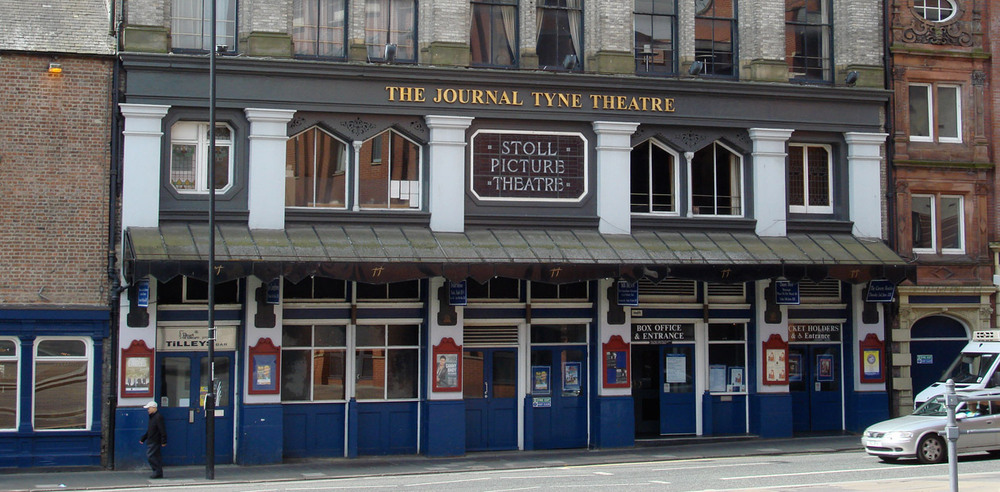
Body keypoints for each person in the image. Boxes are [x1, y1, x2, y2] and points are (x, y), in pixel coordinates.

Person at [139, 401, 167, 478]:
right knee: (156, 456)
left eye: (149, 408)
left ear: (154, 408)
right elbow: (150, 430)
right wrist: (144, 438)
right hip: (151, 440)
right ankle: (158, 472)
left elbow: (162, 429)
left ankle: (157, 472)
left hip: (155, 440)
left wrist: (164, 440)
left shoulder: (158, 417)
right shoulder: (152, 417)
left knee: (150, 456)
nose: (148, 410)